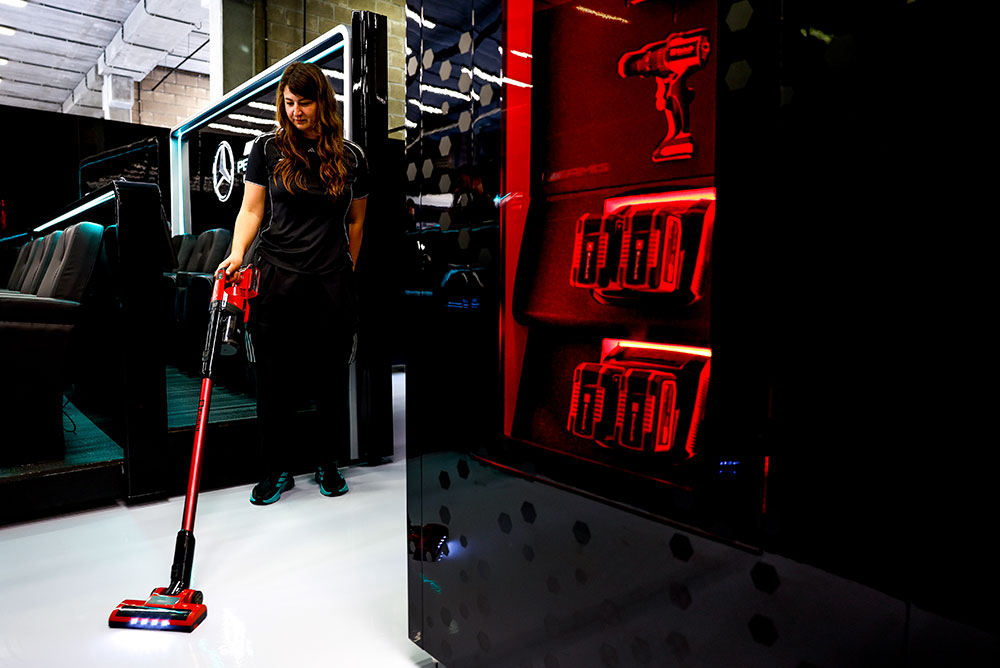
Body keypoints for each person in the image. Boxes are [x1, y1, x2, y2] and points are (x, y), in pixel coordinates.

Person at [217, 61, 368, 505]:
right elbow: (251, 210)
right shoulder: (267, 149)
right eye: (288, 102)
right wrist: (237, 253)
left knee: (330, 380)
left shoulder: (351, 157)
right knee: (274, 382)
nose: (296, 111)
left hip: (330, 283)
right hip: (277, 277)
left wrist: (347, 267)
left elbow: (356, 221)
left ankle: (327, 463)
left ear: (323, 103)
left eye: (304, 103)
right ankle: (275, 469)